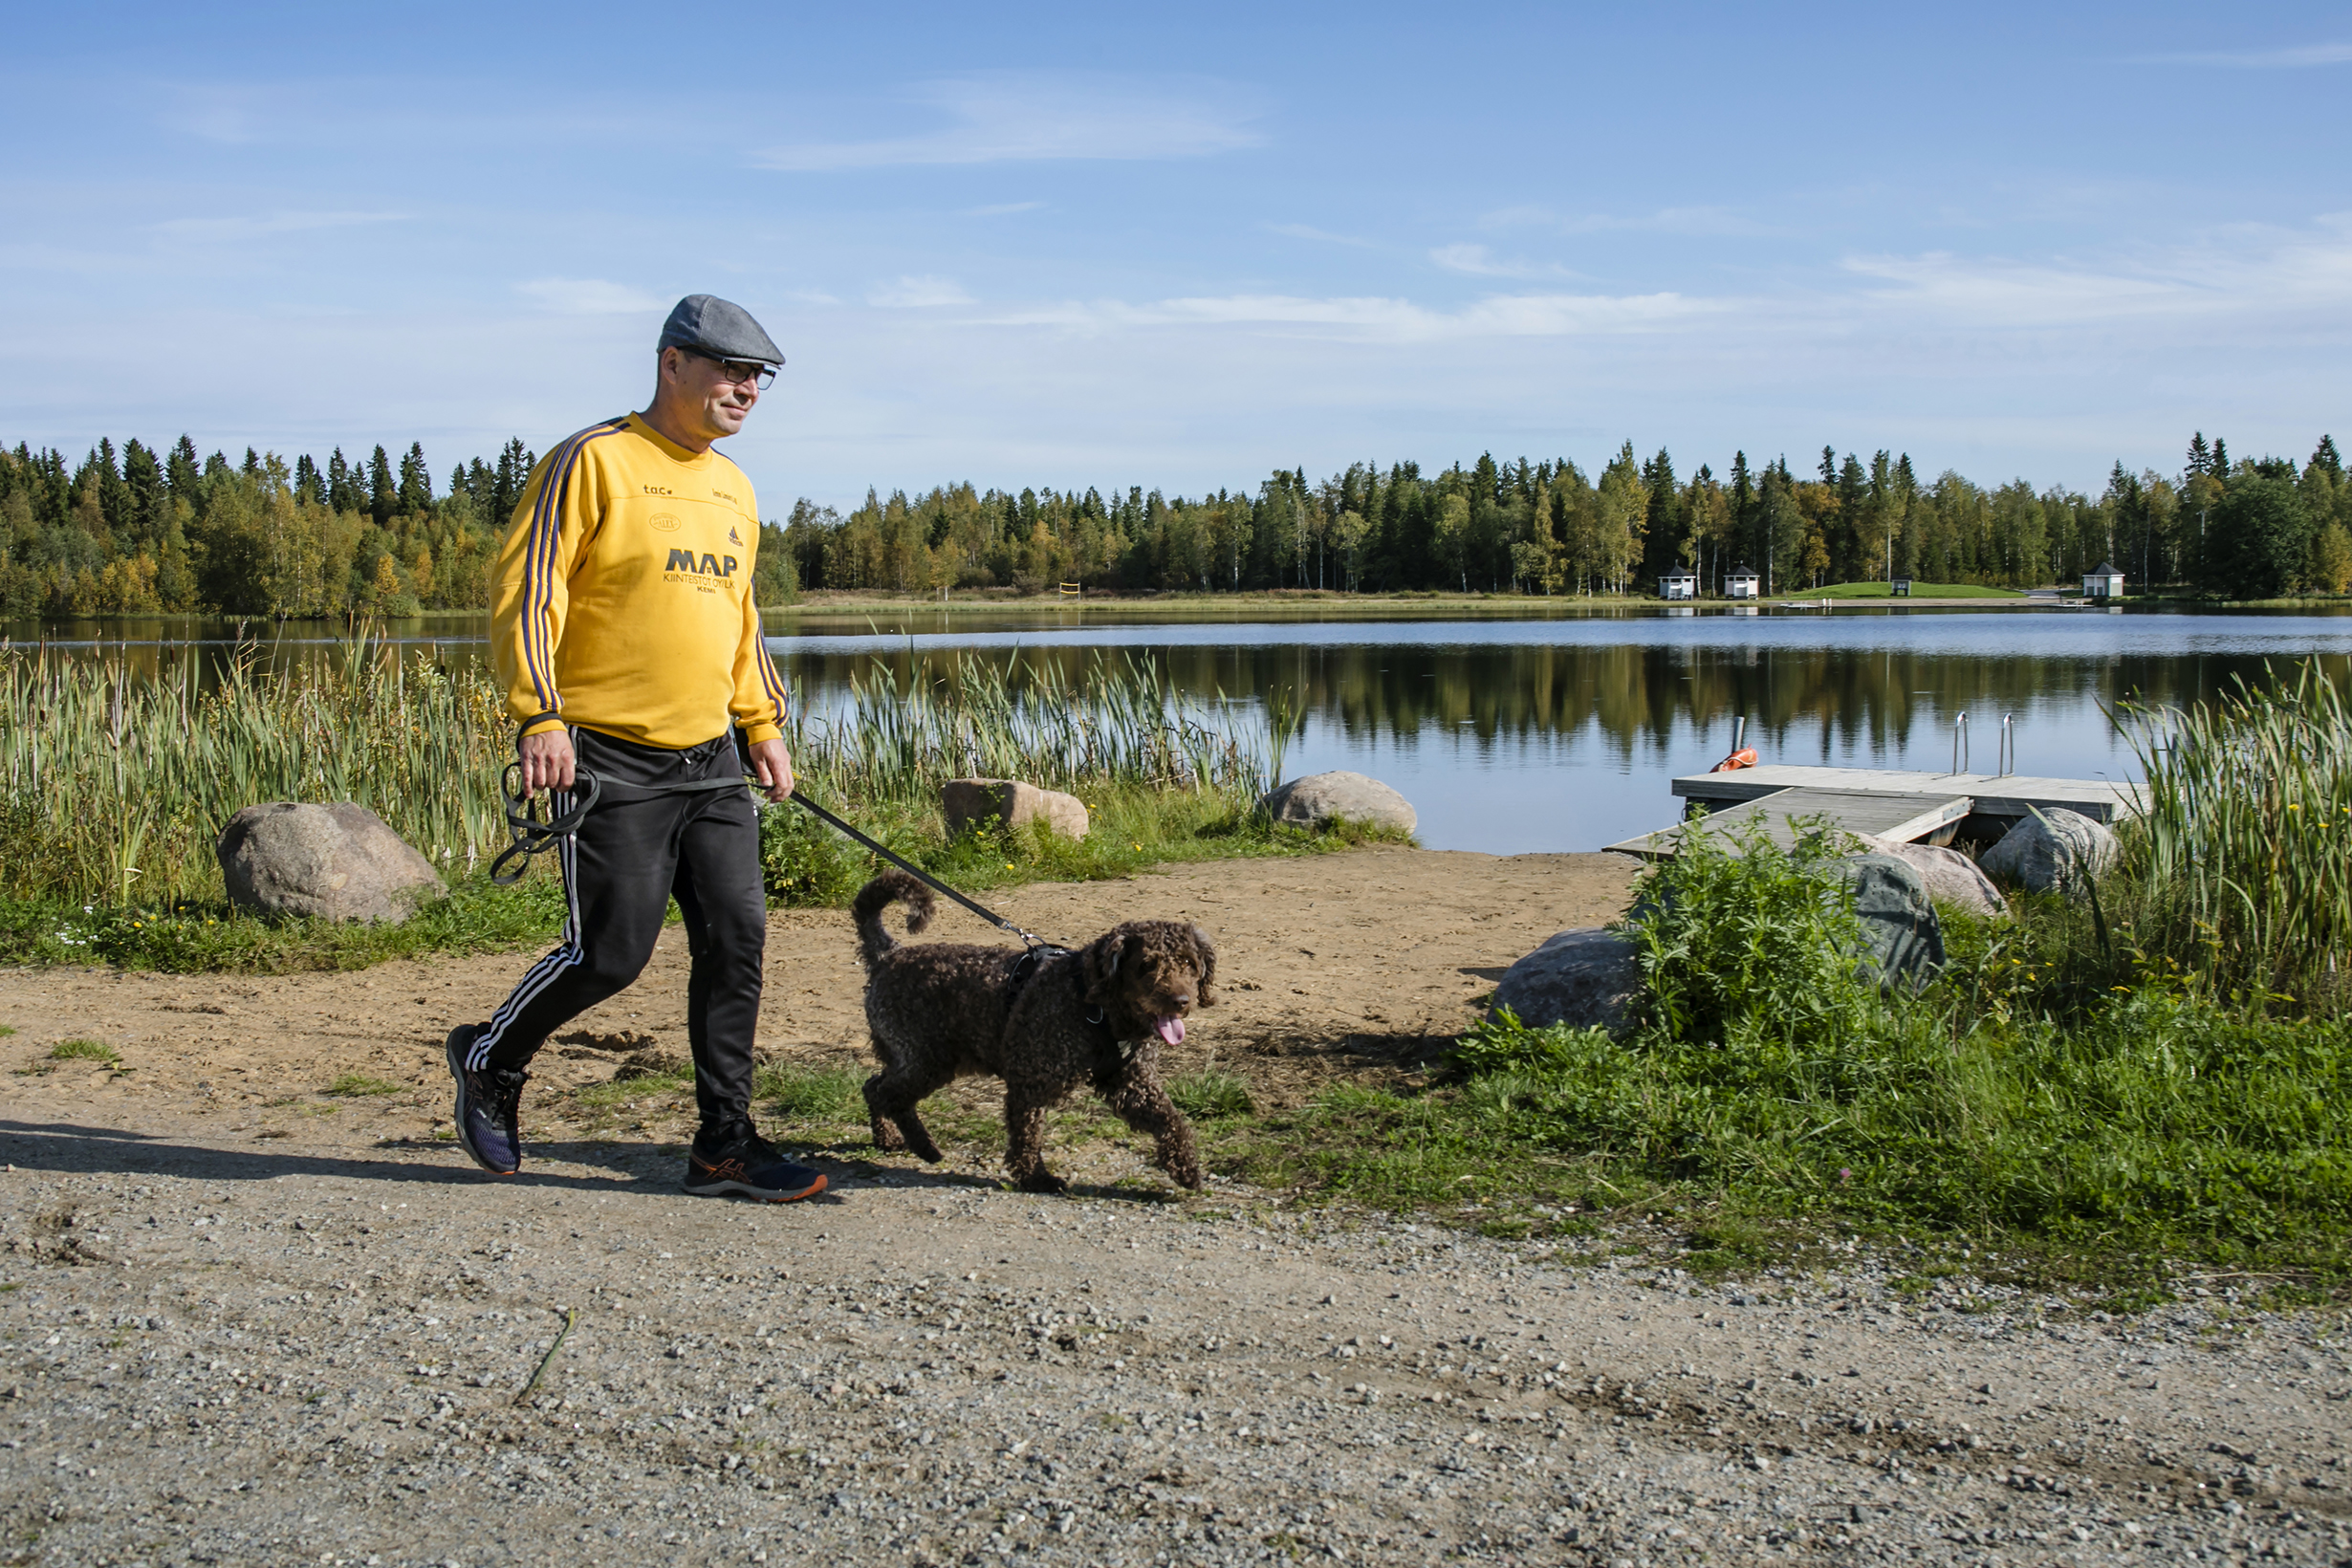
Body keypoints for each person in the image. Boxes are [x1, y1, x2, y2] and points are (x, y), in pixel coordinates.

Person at [444, 294, 826, 1203]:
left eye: (758, 377)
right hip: (608, 757)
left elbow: (740, 618)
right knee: (611, 954)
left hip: (713, 758)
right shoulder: (595, 462)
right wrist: (539, 716)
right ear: (673, 365)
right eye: (732, 370)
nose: (748, 390)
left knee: (737, 942)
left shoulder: (734, 487)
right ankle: (491, 1061)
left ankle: (724, 1146)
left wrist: (762, 722)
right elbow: (527, 593)